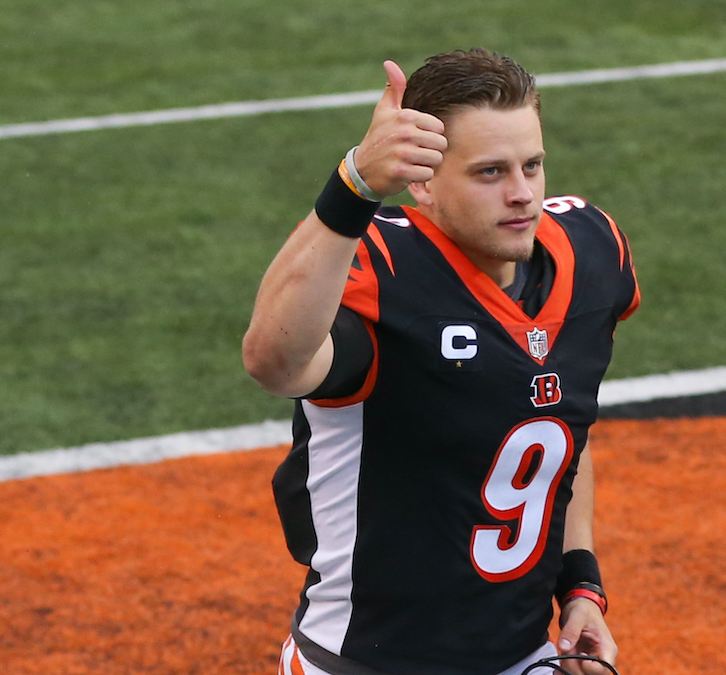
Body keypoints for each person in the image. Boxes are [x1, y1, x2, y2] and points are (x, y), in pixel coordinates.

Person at [242, 48, 639, 675]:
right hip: (365, 662)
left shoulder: (591, 253)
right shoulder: (383, 269)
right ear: (423, 180)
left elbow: (563, 427)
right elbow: (273, 362)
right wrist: (354, 187)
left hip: (522, 655)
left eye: (532, 166)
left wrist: (580, 586)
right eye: (489, 173)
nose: (522, 195)